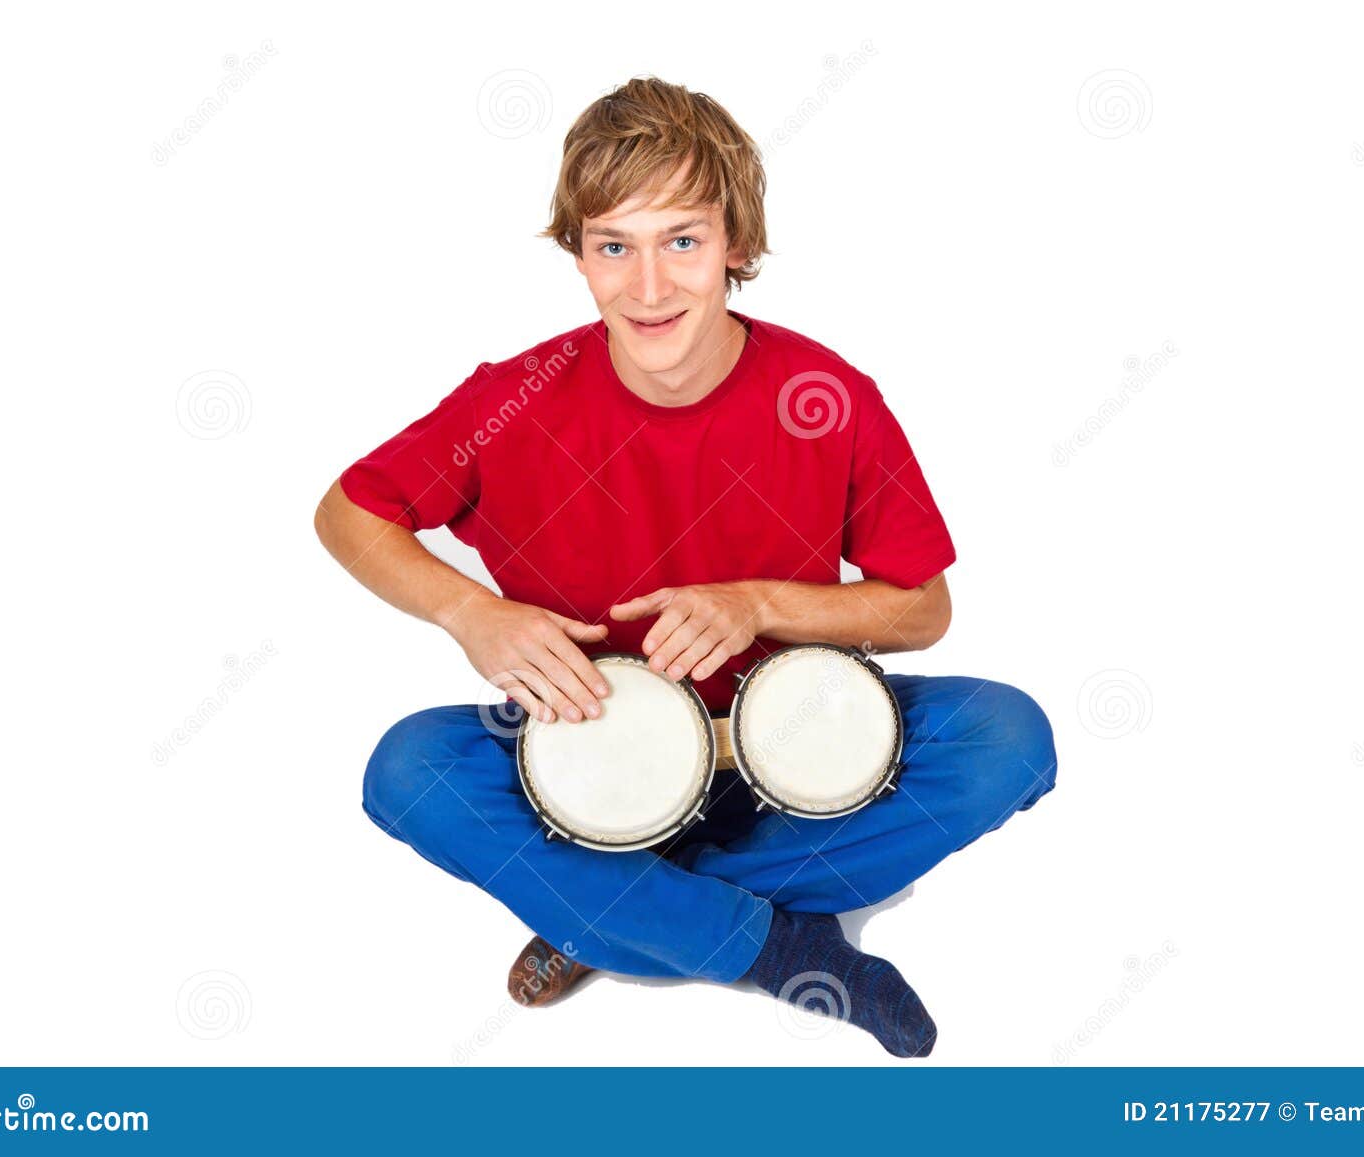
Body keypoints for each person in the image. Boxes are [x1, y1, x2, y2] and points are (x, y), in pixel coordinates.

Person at [314, 77, 1058, 1058]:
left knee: (1009, 737)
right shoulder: (518, 396)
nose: (650, 285)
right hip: (583, 757)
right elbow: (346, 511)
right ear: (576, 253)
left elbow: (921, 609)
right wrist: (470, 614)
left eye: (682, 241)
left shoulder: (824, 395)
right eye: (613, 245)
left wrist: (756, 603)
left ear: (735, 246)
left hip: (781, 746)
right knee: (407, 769)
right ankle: (774, 943)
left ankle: (612, 911)